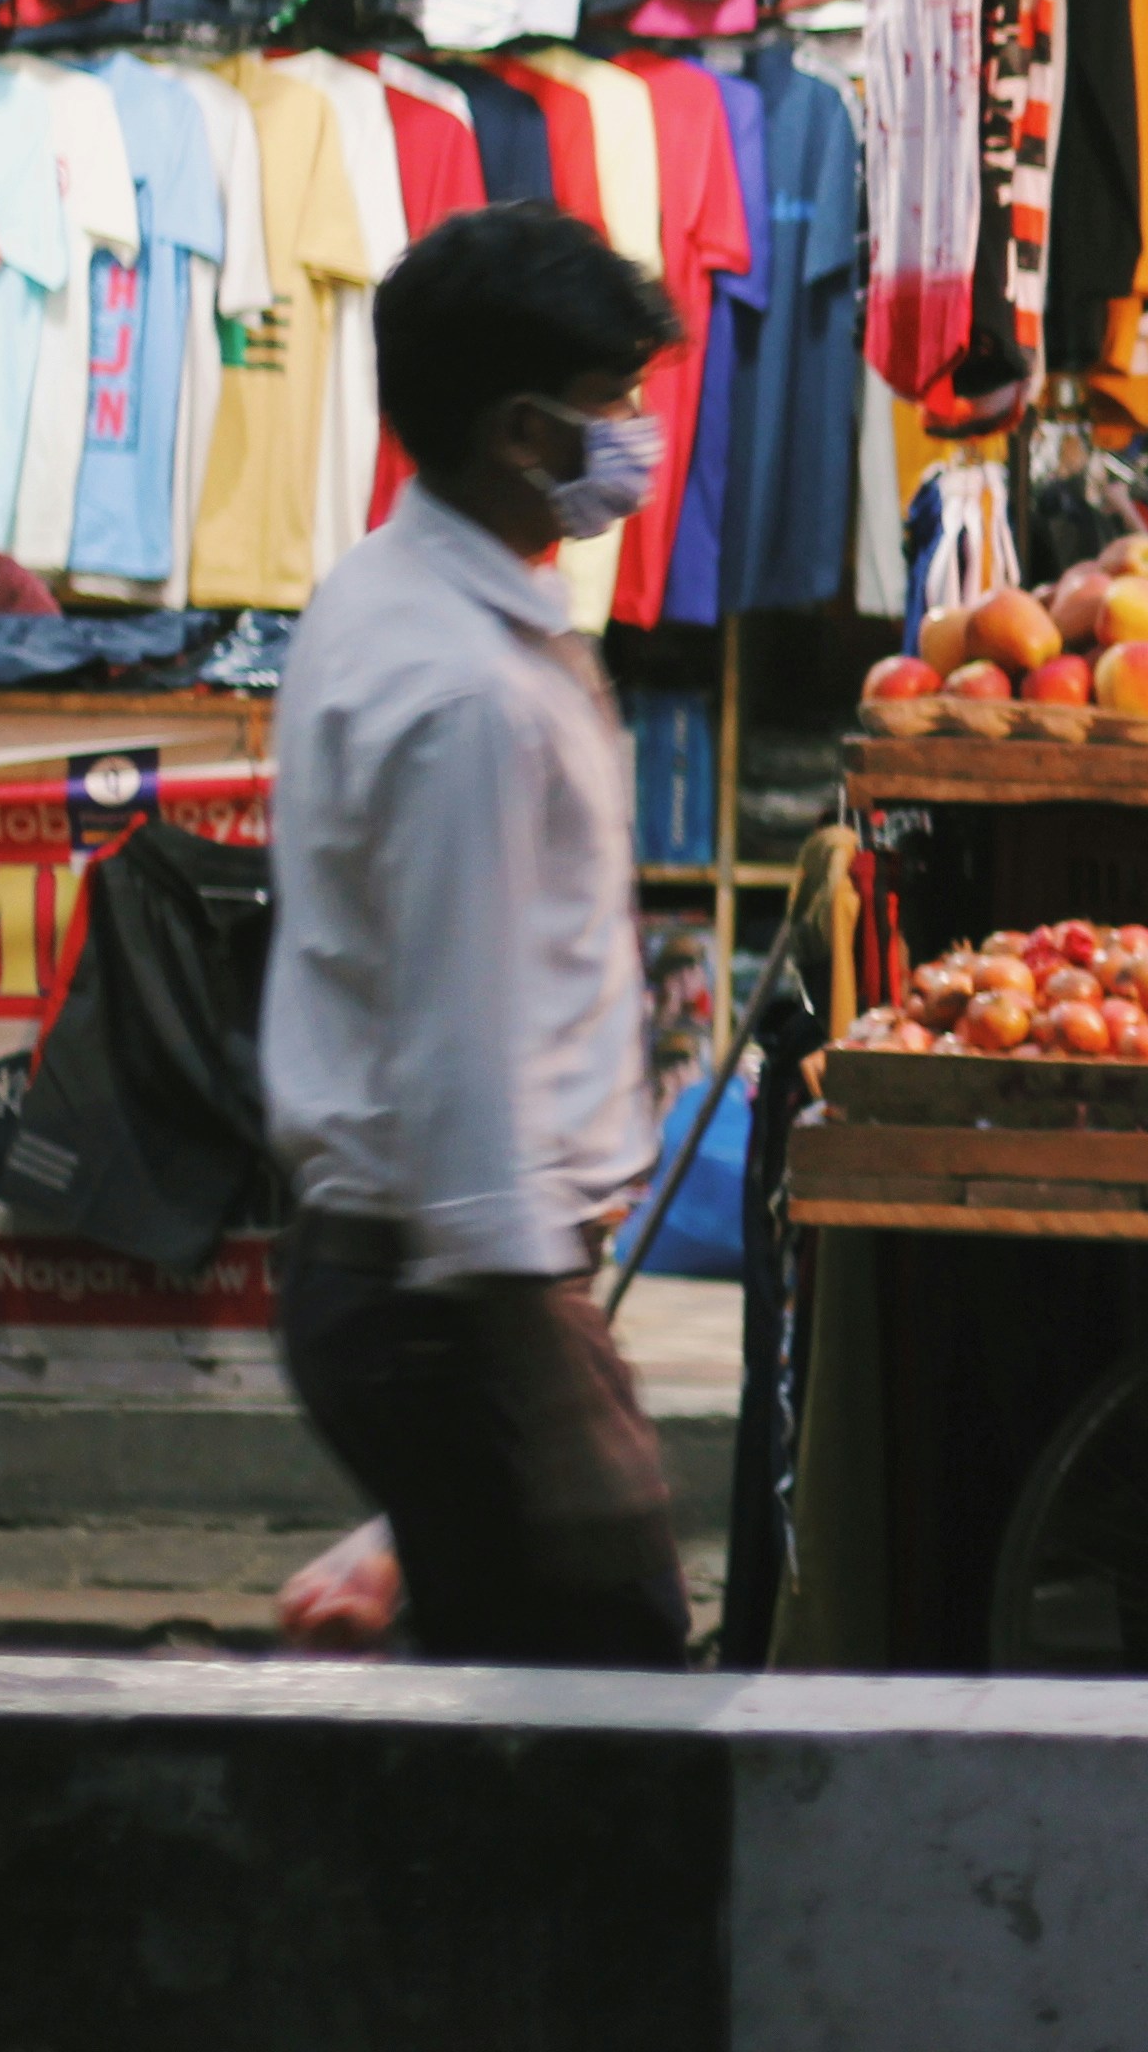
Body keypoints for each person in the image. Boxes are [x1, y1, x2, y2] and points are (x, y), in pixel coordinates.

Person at [262, 201, 693, 1666]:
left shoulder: (404, 597)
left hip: (420, 1289)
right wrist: (556, 1408)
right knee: (597, 1734)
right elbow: (462, 1063)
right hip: (452, 1304)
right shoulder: (467, 696)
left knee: (506, 1722)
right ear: (522, 433)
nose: (636, 431)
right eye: (611, 406)